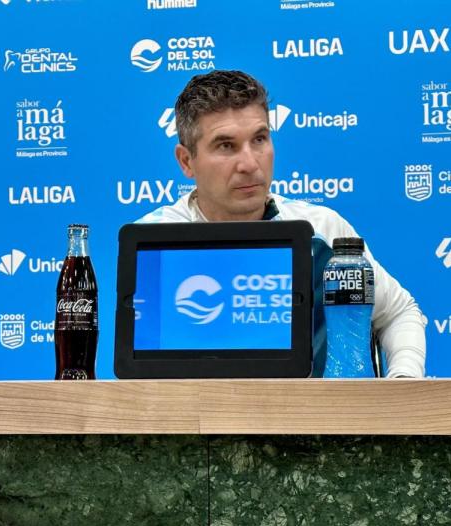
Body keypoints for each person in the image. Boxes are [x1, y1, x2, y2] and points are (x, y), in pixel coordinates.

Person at [138, 70, 427, 378]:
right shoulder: (151, 242)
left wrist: (402, 384)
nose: (250, 164)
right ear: (186, 161)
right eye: (226, 146)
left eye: (260, 139)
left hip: (316, 420)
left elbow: (399, 312)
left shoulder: (322, 230)